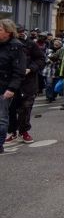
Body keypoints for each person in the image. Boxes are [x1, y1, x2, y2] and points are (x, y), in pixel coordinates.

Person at [6, 27, 45, 145]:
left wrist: (31, 69)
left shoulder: (31, 44)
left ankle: (24, 131)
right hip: (12, 81)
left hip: (28, 81)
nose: (21, 34)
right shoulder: (7, 44)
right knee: (11, 109)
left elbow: (41, 59)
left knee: (26, 108)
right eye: (18, 32)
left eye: (22, 32)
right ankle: (12, 132)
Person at [0, 19, 26, 154]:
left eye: (0, 30)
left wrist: (11, 88)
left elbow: (19, 71)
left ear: (8, 32)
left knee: (2, 117)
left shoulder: (17, 46)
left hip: (5, 87)